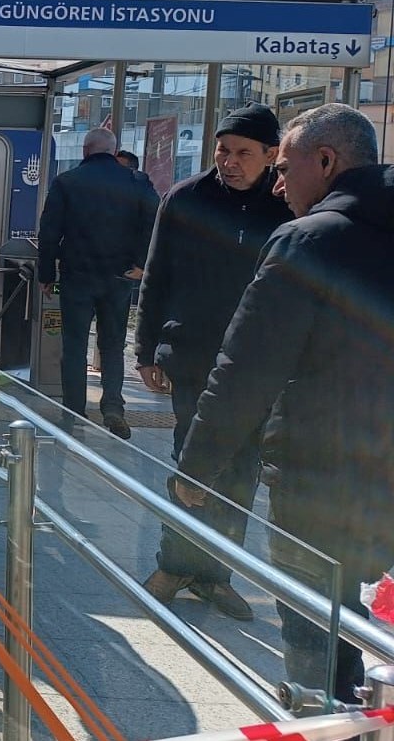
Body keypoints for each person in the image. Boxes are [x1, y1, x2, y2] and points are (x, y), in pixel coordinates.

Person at [172, 104, 394, 704]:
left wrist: (196, 468)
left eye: (287, 167)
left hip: (319, 470)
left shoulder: (309, 241)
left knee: (316, 622)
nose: (278, 183)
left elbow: (247, 367)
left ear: (326, 161)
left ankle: (324, 715)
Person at [137, 104, 293, 622]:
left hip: (260, 366)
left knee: (242, 473)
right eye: (223, 150)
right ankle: (175, 563)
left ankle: (214, 575)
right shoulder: (184, 199)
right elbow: (156, 276)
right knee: (192, 461)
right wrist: (145, 351)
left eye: (244, 153)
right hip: (195, 357)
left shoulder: (286, 207)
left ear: (272, 156)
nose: (229, 161)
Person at [36, 127, 157, 440]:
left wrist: (46, 274)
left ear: (85, 151)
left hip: (77, 275)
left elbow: (49, 232)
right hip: (120, 277)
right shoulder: (137, 182)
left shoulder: (67, 182)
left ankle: (73, 411)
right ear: (114, 151)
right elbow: (155, 222)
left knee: (74, 345)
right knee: (113, 344)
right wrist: (141, 263)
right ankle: (113, 407)